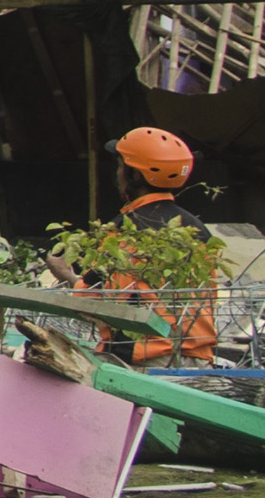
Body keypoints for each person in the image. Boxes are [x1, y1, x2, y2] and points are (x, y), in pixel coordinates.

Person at [94, 126, 220, 366]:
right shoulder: (198, 231)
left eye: (121, 167)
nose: (118, 174)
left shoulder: (122, 230)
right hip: (199, 358)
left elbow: (90, 295)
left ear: (135, 176)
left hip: (144, 359)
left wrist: (63, 273)